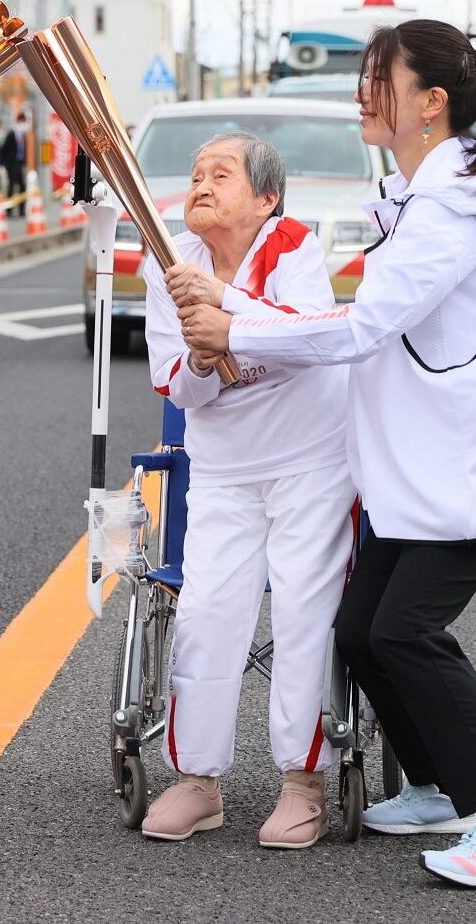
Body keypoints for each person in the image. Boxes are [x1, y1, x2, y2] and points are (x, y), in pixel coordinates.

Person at [177, 18, 476, 890]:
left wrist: (237, 323)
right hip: (419, 472)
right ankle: (431, 787)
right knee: (361, 629)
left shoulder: (448, 211)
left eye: (378, 77)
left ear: (430, 102)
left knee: (407, 631)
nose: (364, 91)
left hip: (468, 472)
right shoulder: (429, 196)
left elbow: (360, 328)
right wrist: (241, 320)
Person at [137, 134, 350, 850]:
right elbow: (175, 383)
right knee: (205, 611)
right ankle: (197, 782)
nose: (200, 185)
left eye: (219, 175)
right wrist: (204, 355)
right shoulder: (169, 265)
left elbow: (307, 336)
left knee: (301, 612)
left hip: (310, 460)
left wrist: (227, 316)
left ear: (265, 198)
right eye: (196, 174)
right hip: (224, 467)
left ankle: (302, 785)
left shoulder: (294, 246)